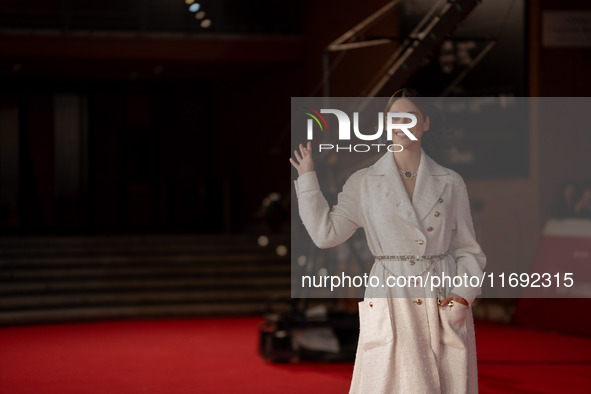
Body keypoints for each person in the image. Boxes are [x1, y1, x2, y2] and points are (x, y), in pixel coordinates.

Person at [290, 89, 486, 393]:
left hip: (441, 293)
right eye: (395, 118)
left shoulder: (450, 182)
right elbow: (325, 234)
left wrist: (462, 296)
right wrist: (307, 179)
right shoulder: (363, 182)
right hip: (391, 294)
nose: (401, 124)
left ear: (425, 123)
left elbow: (468, 249)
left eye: (410, 117)